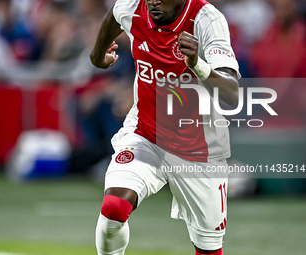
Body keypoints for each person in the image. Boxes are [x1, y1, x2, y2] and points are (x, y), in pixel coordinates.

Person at [90, 0, 240, 254]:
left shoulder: (206, 19)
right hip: (146, 136)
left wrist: (197, 64)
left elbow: (231, 94)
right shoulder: (133, 6)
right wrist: (97, 55)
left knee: (208, 249)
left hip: (199, 150)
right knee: (114, 207)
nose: (153, 1)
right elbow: (115, 14)